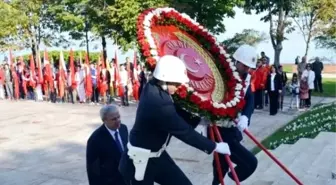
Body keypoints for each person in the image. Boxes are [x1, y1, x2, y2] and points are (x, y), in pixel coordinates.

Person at [119, 55, 231, 185]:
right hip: (139, 161)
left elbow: (176, 110)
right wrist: (214, 146)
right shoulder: (157, 103)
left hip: (157, 154)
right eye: (177, 84)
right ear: (165, 79)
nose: (179, 87)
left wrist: (201, 119)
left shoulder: (155, 86)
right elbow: (183, 132)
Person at [210, 45, 258, 185]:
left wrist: (246, 116)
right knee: (245, 163)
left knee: (223, 164)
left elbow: (250, 99)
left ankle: (223, 181)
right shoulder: (222, 75)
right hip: (218, 127)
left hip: (232, 127)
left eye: (249, 67)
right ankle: (223, 181)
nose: (247, 69)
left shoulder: (247, 78)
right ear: (236, 61)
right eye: (245, 66)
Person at [86, 104, 128, 185]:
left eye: (118, 117)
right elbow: (93, 170)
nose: (118, 120)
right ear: (104, 120)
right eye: (113, 119)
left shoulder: (124, 129)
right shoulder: (95, 140)